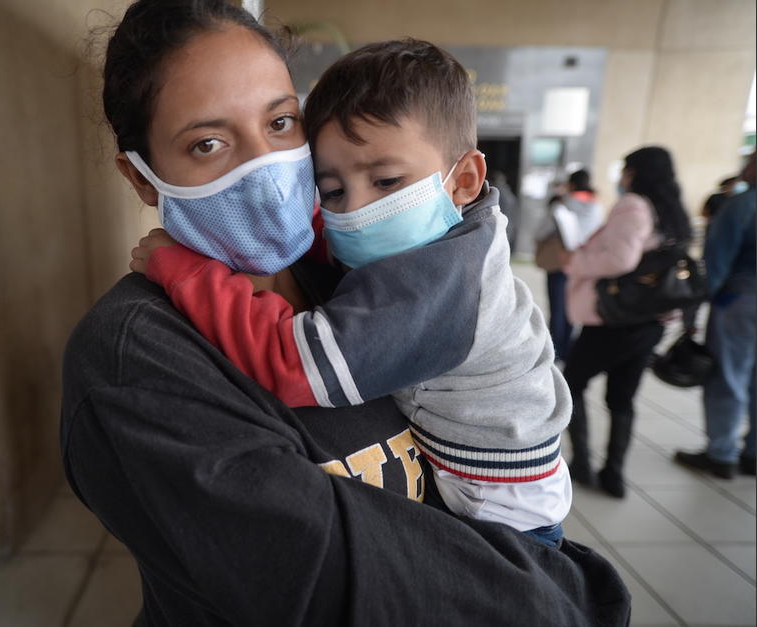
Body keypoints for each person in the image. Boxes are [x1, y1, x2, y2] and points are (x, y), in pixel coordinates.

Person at [60, 1, 631, 624]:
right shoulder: (136, 358)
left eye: (281, 122)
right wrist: (570, 597)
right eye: (208, 143)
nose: (265, 166)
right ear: (143, 179)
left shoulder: (357, 268)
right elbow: (335, 581)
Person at [132, 40, 572, 547]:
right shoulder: (456, 234)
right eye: (333, 191)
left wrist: (186, 272)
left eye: (386, 181)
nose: (356, 209)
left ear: (465, 179)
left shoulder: (437, 282)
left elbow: (290, 363)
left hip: (504, 518)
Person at [562, 146, 692, 498]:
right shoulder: (672, 211)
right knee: (622, 397)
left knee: (571, 384)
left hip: (615, 319)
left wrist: (576, 262)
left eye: (626, 169)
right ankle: (614, 474)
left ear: (636, 172)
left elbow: (621, 259)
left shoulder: (634, 205)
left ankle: (582, 463)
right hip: (651, 319)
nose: (622, 177)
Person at [675, 151, 756, 478]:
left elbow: (716, 263)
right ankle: (753, 453)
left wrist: (693, 310)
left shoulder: (741, 206)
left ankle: (722, 454)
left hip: (739, 303)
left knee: (729, 376)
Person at [534, 169, 605, 362]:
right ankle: (566, 349)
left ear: (571, 184)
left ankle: (554, 350)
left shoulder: (563, 204)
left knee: (557, 307)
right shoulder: (597, 206)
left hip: (560, 261)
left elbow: (542, 231)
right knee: (571, 306)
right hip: (582, 263)